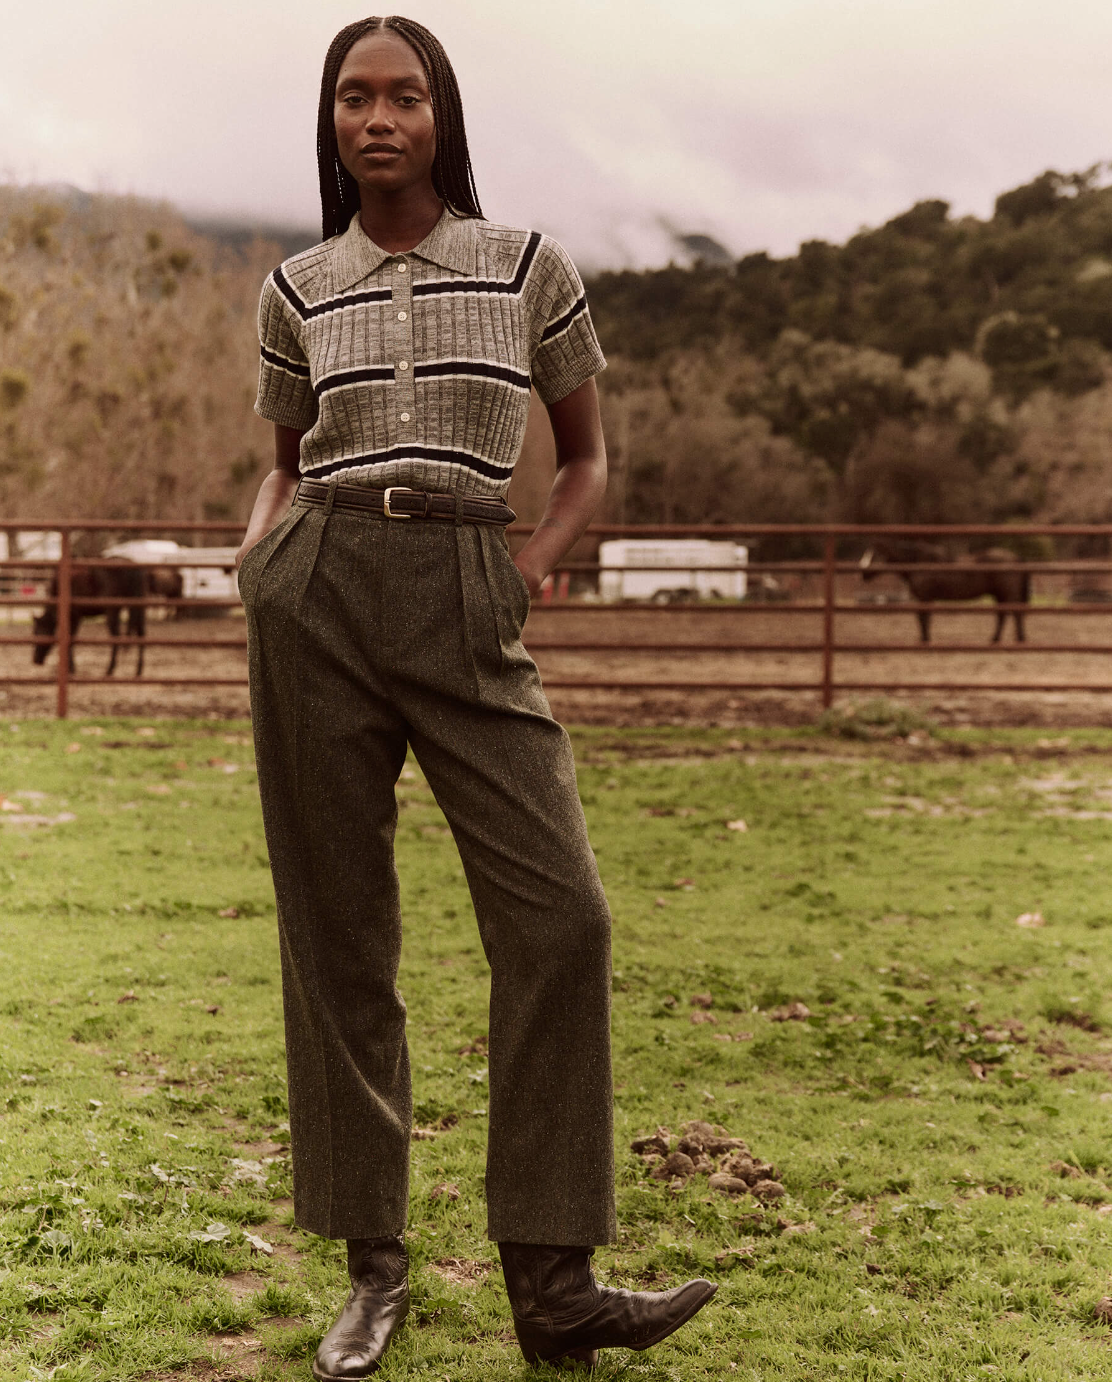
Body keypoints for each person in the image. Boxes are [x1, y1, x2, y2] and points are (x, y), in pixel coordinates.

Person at [236, 15, 716, 1378]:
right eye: (352, 98)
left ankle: (554, 1280)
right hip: (316, 591)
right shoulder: (297, 283)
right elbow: (282, 458)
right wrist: (261, 546)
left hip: (466, 583)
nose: (377, 119)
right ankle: (371, 1266)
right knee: (338, 934)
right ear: (330, 121)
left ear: (444, 113)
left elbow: (587, 462)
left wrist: (530, 571)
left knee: (562, 916)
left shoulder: (525, 267)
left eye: (403, 95)